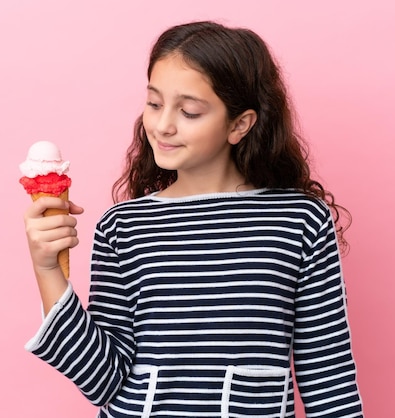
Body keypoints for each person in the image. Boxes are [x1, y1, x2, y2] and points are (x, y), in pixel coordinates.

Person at [23, 20, 363, 418]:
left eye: (189, 111)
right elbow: (104, 382)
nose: (163, 125)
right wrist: (48, 270)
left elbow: (329, 378)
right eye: (153, 103)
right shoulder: (123, 226)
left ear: (239, 124)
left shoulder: (300, 220)